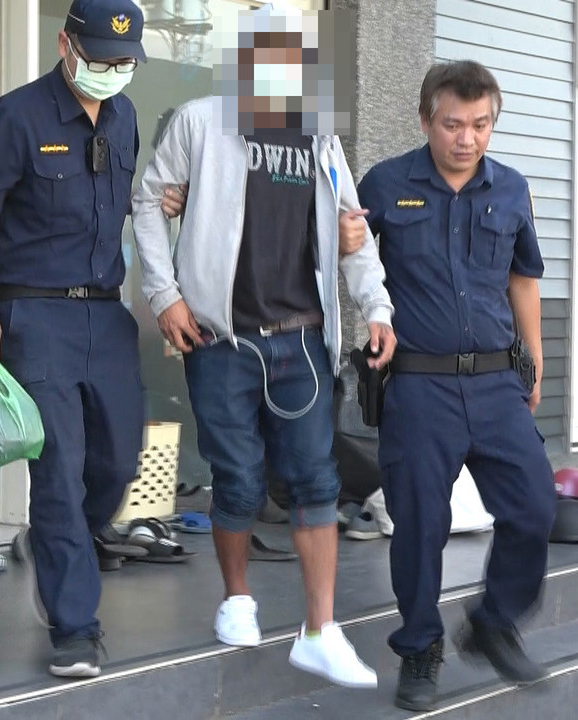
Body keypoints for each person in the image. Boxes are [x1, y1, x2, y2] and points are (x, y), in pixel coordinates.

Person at [130, 4, 395, 689]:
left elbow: (354, 230)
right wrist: (165, 296)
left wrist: (376, 307)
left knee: (316, 482)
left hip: (301, 340)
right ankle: (237, 601)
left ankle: (320, 631)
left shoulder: (319, 137)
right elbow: (148, 201)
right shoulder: (200, 122)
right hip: (221, 341)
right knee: (239, 480)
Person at [0, 0, 157, 679]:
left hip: (107, 316)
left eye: (124, 62)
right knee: (60, 471)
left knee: (118, 462)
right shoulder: (19, 115)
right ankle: (75, 627)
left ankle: (50, 541)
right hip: (35, 315)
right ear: (67, 44)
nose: (112, 71)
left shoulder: (124, 117)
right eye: (101, 58)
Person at [355, 60, 557, 711]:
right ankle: (420, 647)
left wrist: (535, 357)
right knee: (419, 525)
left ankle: (495, 621)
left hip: (497, 381)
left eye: (480, 124)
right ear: (425, 120)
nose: (466, 138)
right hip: (420, 385)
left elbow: (523, 276)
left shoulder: (512, 189)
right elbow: (348, 264)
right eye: (452, 124)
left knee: (535, 506)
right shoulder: (385, 185)